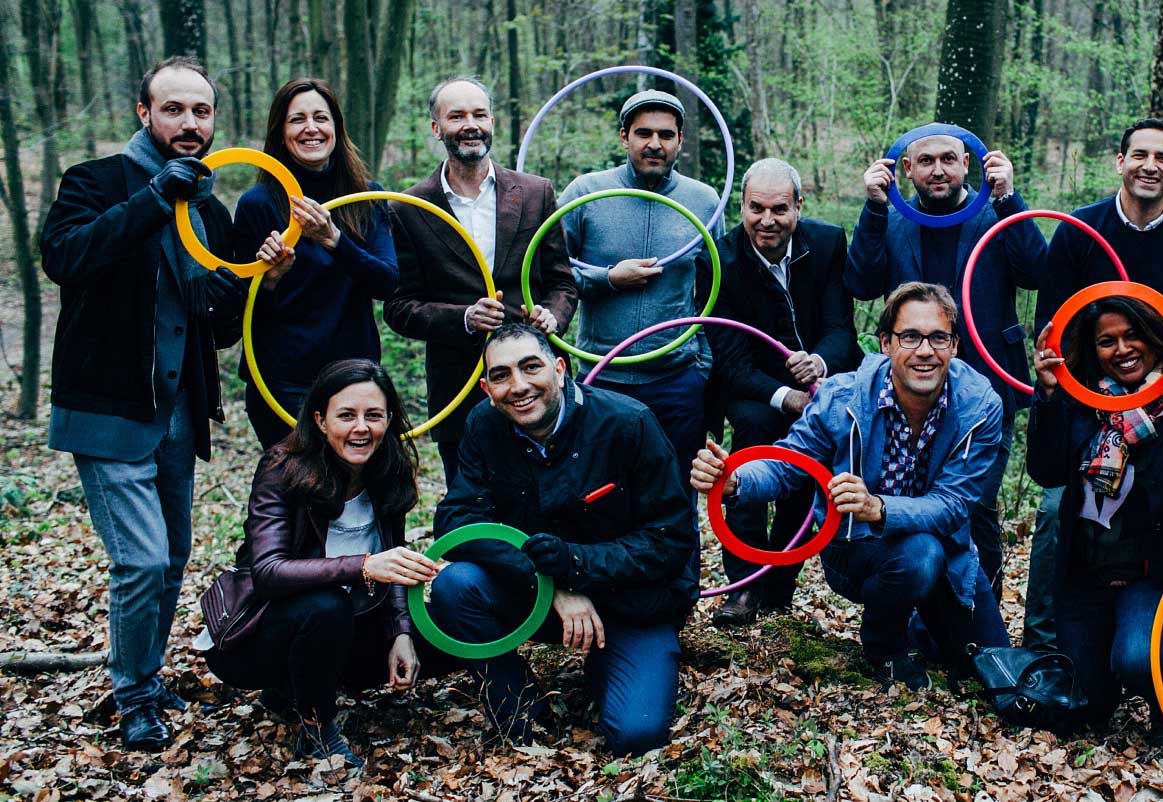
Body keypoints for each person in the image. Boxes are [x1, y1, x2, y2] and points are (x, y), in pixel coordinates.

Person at [40, 56, 245, 750]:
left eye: (201, 111)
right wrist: (156, 197)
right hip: (108, 411)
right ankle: (132, 696)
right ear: (144, 113)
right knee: (143, 560)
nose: (190, 123)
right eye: (174, 109)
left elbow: (216, 327)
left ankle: (147, 681)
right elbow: (66, 258)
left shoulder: (211, 210)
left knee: (174, 556)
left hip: (178, 413)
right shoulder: (94, 181)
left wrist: (244, 288)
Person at [692, 283, 1010, 690]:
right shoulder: (844, 396)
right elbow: (789, 464)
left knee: (992, 664)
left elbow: (953, 505)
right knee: (920, 555)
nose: (925, 351)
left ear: (955, 346)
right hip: (856, 547)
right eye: (910, 337)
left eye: (938, 338)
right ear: (886, 343)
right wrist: (735, 481)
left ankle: (919, 628)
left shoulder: (980, 405)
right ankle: (883, 648)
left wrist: (879, 507)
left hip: (949, 554)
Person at [424, 324, 698, 755]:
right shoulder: (484, 424)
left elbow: (669, 540)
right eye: (501, 375)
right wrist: (550, 584)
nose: (518, 386)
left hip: (631, 601)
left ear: (559, 368)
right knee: (454, 586)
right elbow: (457, 519)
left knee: (637, 733)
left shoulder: (628, 423)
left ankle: (609, 665)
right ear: (487, 389)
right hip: (538, 597)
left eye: (530, 367)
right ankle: (520, 709)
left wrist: (575, 565)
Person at [1023, 118, 1163, 655]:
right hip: (1087, 402)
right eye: (1140, 155)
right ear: (1120, 161)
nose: (1150, 166)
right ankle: (1043, 647)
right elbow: (1052, 330)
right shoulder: (1079, 230)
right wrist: (1070, 395)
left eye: (1162, 157)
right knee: (1054, 509)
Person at [199, 360, 436, 767]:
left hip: (348, 625)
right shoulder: (282, 468)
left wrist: (401, 632)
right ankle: (317, 732)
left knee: (443, 624)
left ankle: (296, 689)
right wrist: (364, 565)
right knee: (326, 604)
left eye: (374, 415)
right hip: (253, 637)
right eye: (346, 415)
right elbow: (269, 572)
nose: (361, 428)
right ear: (321, 421)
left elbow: (393, 559)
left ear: (388, 421)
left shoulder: (388, 469)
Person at [845, 128, 1047, 599]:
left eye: (949, 160)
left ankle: (979, 611)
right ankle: (920, 610)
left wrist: (1009, 199)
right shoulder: (892, 219)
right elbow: (860, 282)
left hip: (987, 388)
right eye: (926, 161)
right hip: (910, 392)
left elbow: (1036, 271)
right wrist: (873, 208)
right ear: (907, 168)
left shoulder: (994, 212)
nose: (938, 170)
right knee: (915, 503)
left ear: (967, 164)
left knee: (976, 507)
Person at [1024, 296, 1163, 736]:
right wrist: (1048, 394)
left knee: (1139, 660)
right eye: (1107, 341)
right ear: (1093, 348)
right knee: (1089, 705)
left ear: (1156, 338)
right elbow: (1046, 471)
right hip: (1088, 574)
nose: (1122, 349)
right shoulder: (1082, 399)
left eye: (1132, 335)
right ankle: (1107, 678)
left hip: (1158, 574)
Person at [384, 77, 576, 484]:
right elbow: (400, 308)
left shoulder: (536, 193)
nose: (470, 125)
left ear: (492, 122)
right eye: (456, 116)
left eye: (479, 114)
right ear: (436, 128)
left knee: (556, 497)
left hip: (539, 384)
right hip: (459, 391)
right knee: (473, 503)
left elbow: (562, 283)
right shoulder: (408, 207)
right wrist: (464, 318)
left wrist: (552, 317)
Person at [706, 158, 861, 626]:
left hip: (820, 382)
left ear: (798, 207)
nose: (767, 220)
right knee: (748, 464)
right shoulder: (720, 259)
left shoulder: (827, 243)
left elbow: (841, 328)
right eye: (756, 208)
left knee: (806, 476)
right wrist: (786, 396)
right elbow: (731, 360)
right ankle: (744, 585)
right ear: (742, 207)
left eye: (779, 209)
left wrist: (820, 362)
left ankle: (779, 585)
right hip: (754, 387)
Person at [554, 89, 723, 469]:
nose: (655, 144)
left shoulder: (704, 200)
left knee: (676, 487)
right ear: (624, 137)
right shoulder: (585, 192)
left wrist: (703, 366)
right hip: (603, 377)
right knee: (604, 488)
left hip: (678, 379)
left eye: (666, 135)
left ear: (680, 140)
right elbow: (551, 276)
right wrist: (609, 279)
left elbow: (716, 287)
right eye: (644, 133)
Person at [233, 78, 399, 447]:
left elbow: (386, 282)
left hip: (354, 378)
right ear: (280, 132)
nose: (311, 128)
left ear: (336, 128)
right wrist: (270, 278)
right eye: (297, 119)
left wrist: (334, 239)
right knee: (293, 479)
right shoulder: (257, 204)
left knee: (355, 478)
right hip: (281, 380)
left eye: (321, 118)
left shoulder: (368, 196)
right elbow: (237, 306)